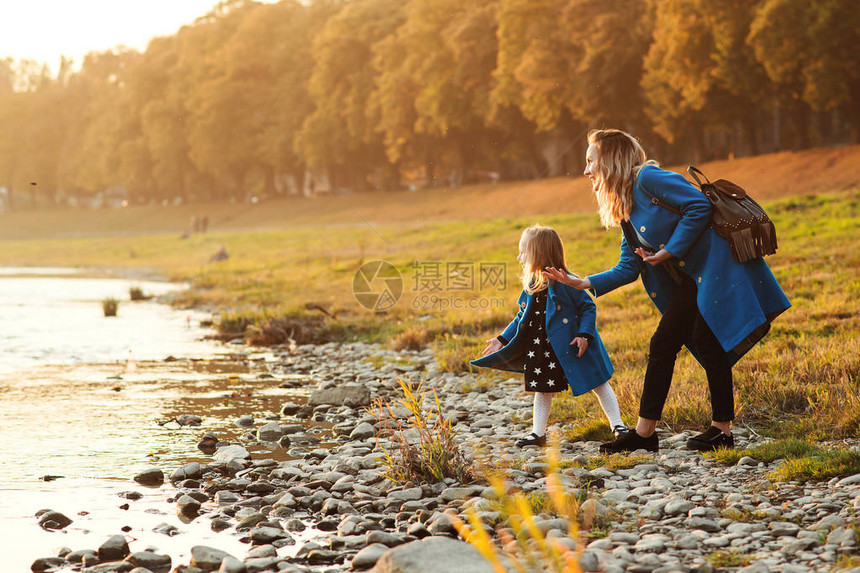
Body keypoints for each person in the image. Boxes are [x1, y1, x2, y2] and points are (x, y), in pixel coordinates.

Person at [544, 129, 790, 453]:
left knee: (699, 341)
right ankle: (653, 435)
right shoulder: (627, 206)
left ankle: (716, 431)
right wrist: (584, 282)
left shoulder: (648, 178)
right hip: (693, 280)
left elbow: (698, 206)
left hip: (716, 268)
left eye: (591, 161)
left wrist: (670, 251)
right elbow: (628, 267)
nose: (586, 171)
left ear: (611, 160)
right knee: (667, 344)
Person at [471, 224, 627, 447]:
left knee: (599, 383)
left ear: (538, 254)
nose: (519, 257)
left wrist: (584, 334)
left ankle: (618, 425)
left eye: (523, 251)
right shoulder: (532, 284)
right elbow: (520, 317)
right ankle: (538, 433)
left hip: (572, 344)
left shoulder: (567, 281)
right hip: (542, 348)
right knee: (542, 388)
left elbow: (588, 307)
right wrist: (502, 339)